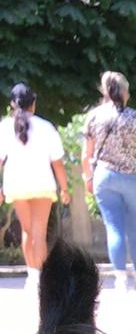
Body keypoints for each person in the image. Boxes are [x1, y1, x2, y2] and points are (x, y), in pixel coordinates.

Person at [82, 71, 136, 291]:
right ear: (124, 92)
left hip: (105, 177)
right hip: (134, 178)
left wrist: (88, 177)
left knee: (114, 228)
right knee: (135, 228)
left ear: (105, 91)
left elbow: (86, 154)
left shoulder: (94, 117)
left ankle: (121, 278)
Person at [0, 83, 69, 285]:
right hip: (42, 184)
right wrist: (65, 189)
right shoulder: (46, 127)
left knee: (26, 230)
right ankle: (41, 280)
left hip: (16, 185)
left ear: (13, 104)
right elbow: (58, 164)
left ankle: (32, 276)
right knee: (39, 232)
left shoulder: (4, 127)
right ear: (33, 103)